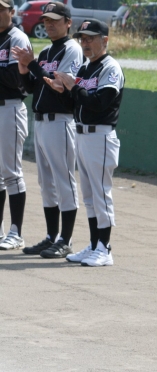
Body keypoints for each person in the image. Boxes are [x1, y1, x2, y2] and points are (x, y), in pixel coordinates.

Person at [44, 19, 125, 267]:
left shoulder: (110, 67)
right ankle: (94, 244)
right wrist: (63, 91)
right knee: (89, 196)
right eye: (83, 39)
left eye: (91, 38)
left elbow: (99, 103)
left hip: (101, 136)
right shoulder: (85, 68)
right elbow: (75, 104)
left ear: (105, 40)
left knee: (101, 194)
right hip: (82, 135)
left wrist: (73, 88)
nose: (85, 43)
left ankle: (105, 248)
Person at [12, 1, 84, 259]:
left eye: (55, 20)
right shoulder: (45, 52)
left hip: (61, 121)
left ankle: (66, 239)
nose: (49, 24)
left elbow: (59, 85)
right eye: (46, 20)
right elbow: (32, 88)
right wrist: (24, 70)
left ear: (68, 23)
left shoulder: (72, 49)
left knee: (64, 181)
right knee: (47, 183)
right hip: (42, 122)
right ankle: (52, 236)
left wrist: (31, 64)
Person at [0, 0, 30, 251]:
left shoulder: (17, 38)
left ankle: (16, 232)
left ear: (12, 11)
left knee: (11, 172)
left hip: (9, 107)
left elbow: (15, 79)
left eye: (0, 9)